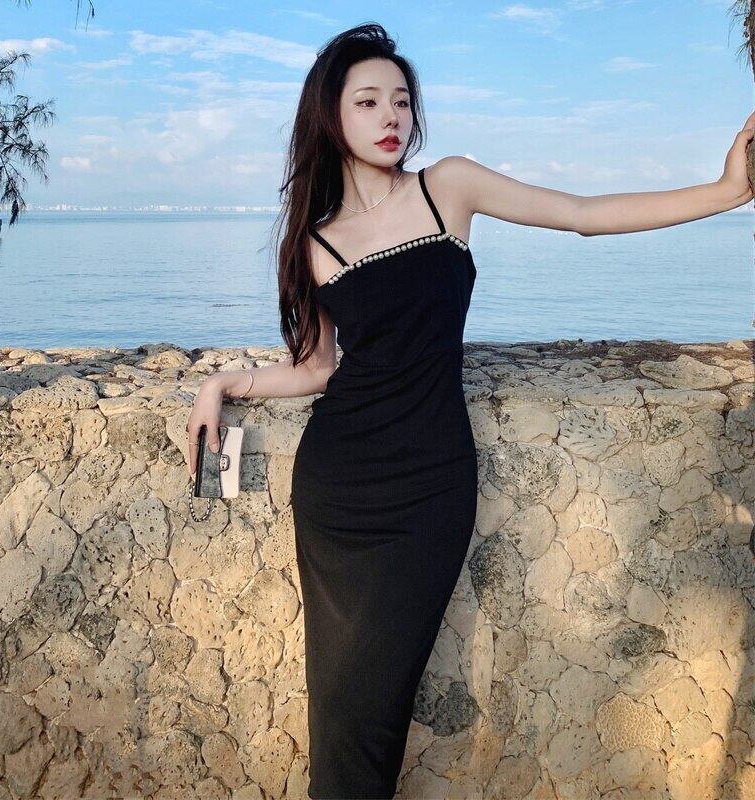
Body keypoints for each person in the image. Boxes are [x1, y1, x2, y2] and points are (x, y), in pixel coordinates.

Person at [186, 22, 755, 800]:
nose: (391, 116)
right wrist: (225, 383)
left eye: (401, 100)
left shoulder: (447, 187)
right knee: (343, 709)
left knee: (375, 701)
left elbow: (583, 212)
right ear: (331, 115)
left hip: (430, 487)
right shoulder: (317, 243)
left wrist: (725, 193)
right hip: (338, 489)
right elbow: (317, 369)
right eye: (368, 101)